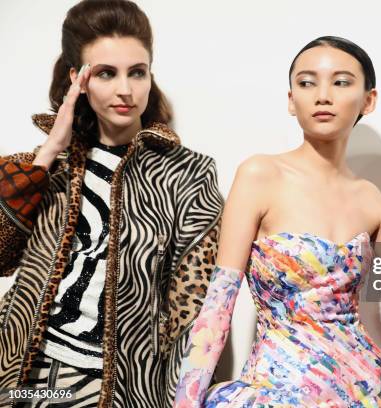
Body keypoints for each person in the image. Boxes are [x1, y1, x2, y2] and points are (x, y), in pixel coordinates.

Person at [0, 1, 222, 406]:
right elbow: (0, 257)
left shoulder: (189, 174)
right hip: (25, 375)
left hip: (115, 385)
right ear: (78, 79)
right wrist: (50, 150)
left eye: (137, 72)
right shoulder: (53, 166)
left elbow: (193, 308)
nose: (126, 89)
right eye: (106, 73)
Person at [173, 36, 381, 407]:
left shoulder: (371, 199)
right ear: (292, 100)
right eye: (307, 83)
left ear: (368, 100)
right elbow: (217, 306)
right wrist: (186, 402)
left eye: (341, 82)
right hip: (278, 391)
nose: (322, 95)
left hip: (364, 388)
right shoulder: (260, 174)